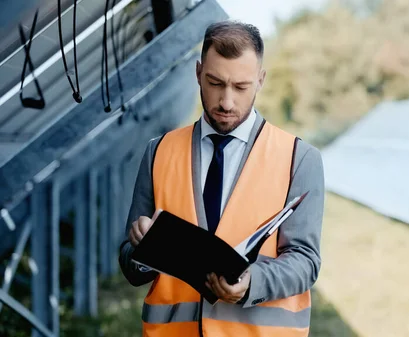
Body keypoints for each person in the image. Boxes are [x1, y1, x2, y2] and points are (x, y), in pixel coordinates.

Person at [118, 20, 325, 337]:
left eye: (241, 87)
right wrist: (143, 252)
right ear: (198, 72)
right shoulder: (157, 153)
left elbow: (305, 261)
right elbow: (130, 264)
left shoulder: (300, 159)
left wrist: (251, 282)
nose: (227, 102)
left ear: (260, 80)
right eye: (215, 83)